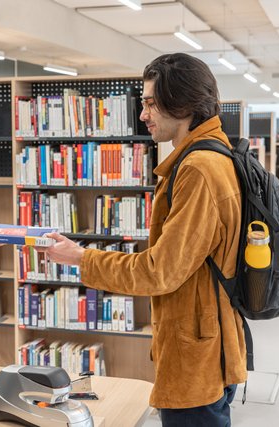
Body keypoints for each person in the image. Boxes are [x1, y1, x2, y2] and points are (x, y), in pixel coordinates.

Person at [39, 53, 247, 427]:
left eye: (150, 103)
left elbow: (159, 271)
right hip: (206, 342)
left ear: (181, 103)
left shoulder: (199, 170)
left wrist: (80, 258)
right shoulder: (206, 157)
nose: (143, 114)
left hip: (196, 356)